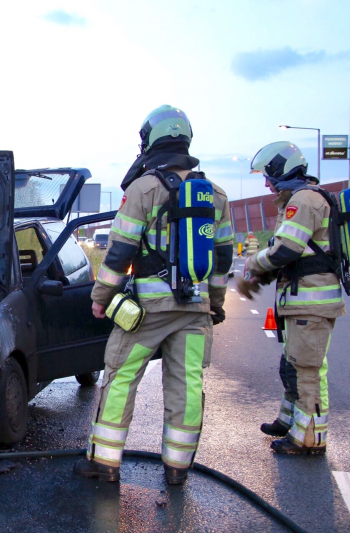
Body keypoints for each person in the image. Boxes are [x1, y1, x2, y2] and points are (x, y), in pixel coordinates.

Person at [73, 105, 233, 485]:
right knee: (186, 385)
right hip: (195, 310)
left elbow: (119, 251)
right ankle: (178, 468)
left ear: (151, 139)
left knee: (121, 377)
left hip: (148, 311)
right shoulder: (217, 195)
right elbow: (223, 258)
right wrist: (216, 304)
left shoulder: (143, 188)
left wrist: (101, 296)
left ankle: (105, 463)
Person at [238, 141, 344, 455]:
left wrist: (254, 265)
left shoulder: (304, 200)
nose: (266, 183)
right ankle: (289, 421)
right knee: (292, 365)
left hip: (311, 303)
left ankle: (309, 439)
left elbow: (287, 249)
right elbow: (294, 254)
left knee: (306, 369)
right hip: (301, 301)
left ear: (282, 170)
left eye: (268, 175)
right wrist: (261, 277)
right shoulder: (302, 198)